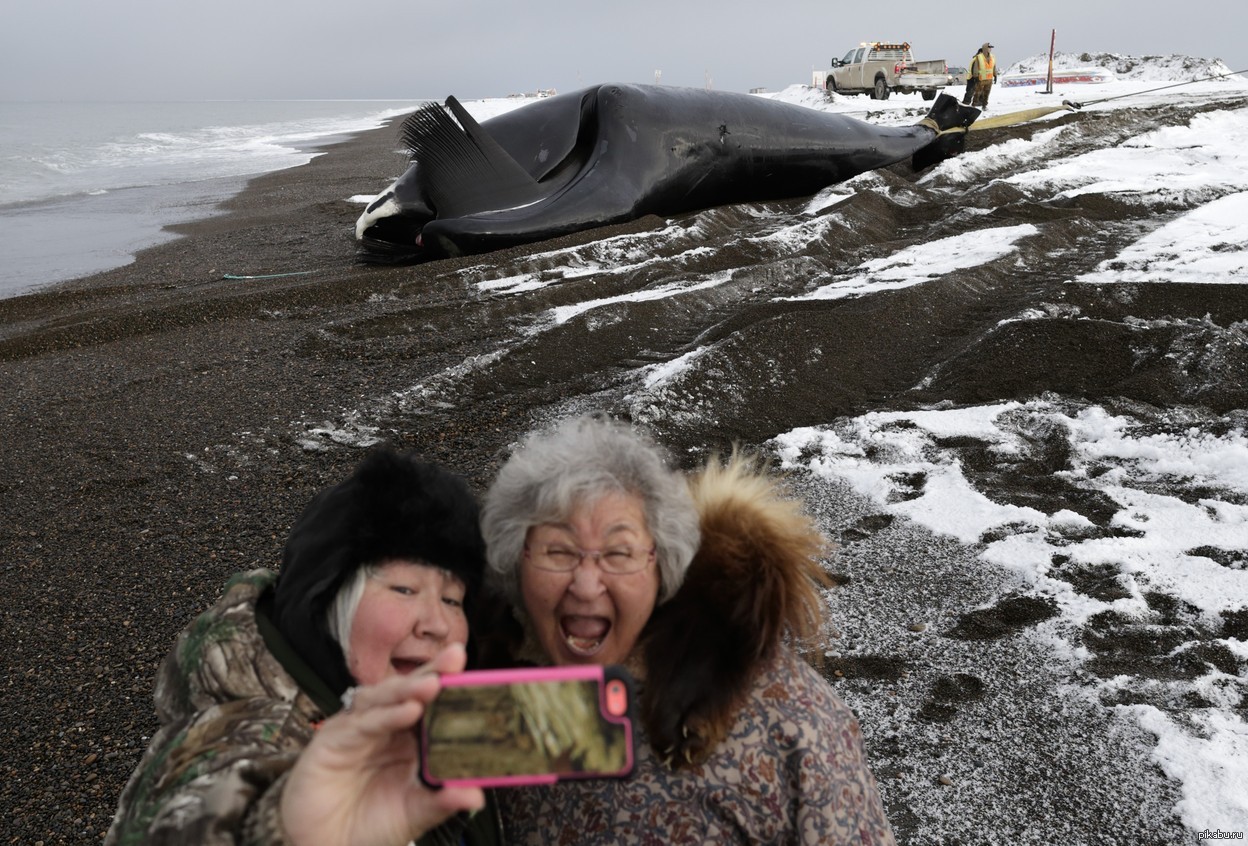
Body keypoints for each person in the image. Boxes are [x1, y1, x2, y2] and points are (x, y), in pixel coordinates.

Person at [477, 415, 895, 845]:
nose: (585, 586)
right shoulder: (478, 696)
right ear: (515, 560)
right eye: (558, 551)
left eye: (619, 552)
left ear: (663, 563)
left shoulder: (785, 719)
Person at [105, 448, 500, 846]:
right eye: (404, 589)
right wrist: (284, 831)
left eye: (452, 600)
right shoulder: (247, 735)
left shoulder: (431, 717)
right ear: (327, 599)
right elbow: (203, 813)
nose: (436, 624)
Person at [968, 42, 999, 109]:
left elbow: (993, 67)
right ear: (985, 48)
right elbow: (976, 67)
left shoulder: (992, 57)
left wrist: (995, 75)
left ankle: (984, 105)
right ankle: (973, 105)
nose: (990, 49)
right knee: (977, 93)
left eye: (991, 48)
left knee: (987, 93)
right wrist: (976, 76)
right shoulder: (979, 57)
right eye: (989, 47)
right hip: (981, 79)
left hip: (989, 79)